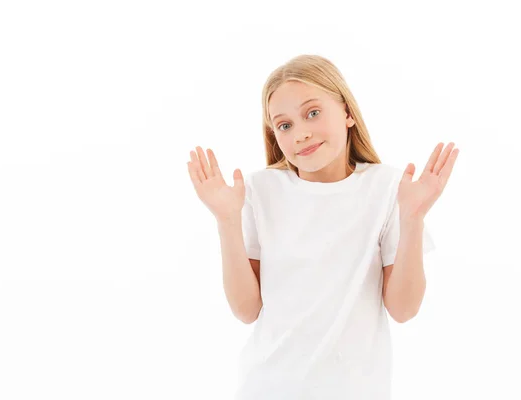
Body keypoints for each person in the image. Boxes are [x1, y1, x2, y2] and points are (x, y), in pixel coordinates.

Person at [187, 54, 459, 399]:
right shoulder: (259, 191)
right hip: (268, 388)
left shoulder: (389, 189)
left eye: (312, 113)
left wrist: (413, 217)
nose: (300, 133)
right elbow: (246, 310)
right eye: (284, 125)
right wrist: (226, 220)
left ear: (347, 112)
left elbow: (404, 309)